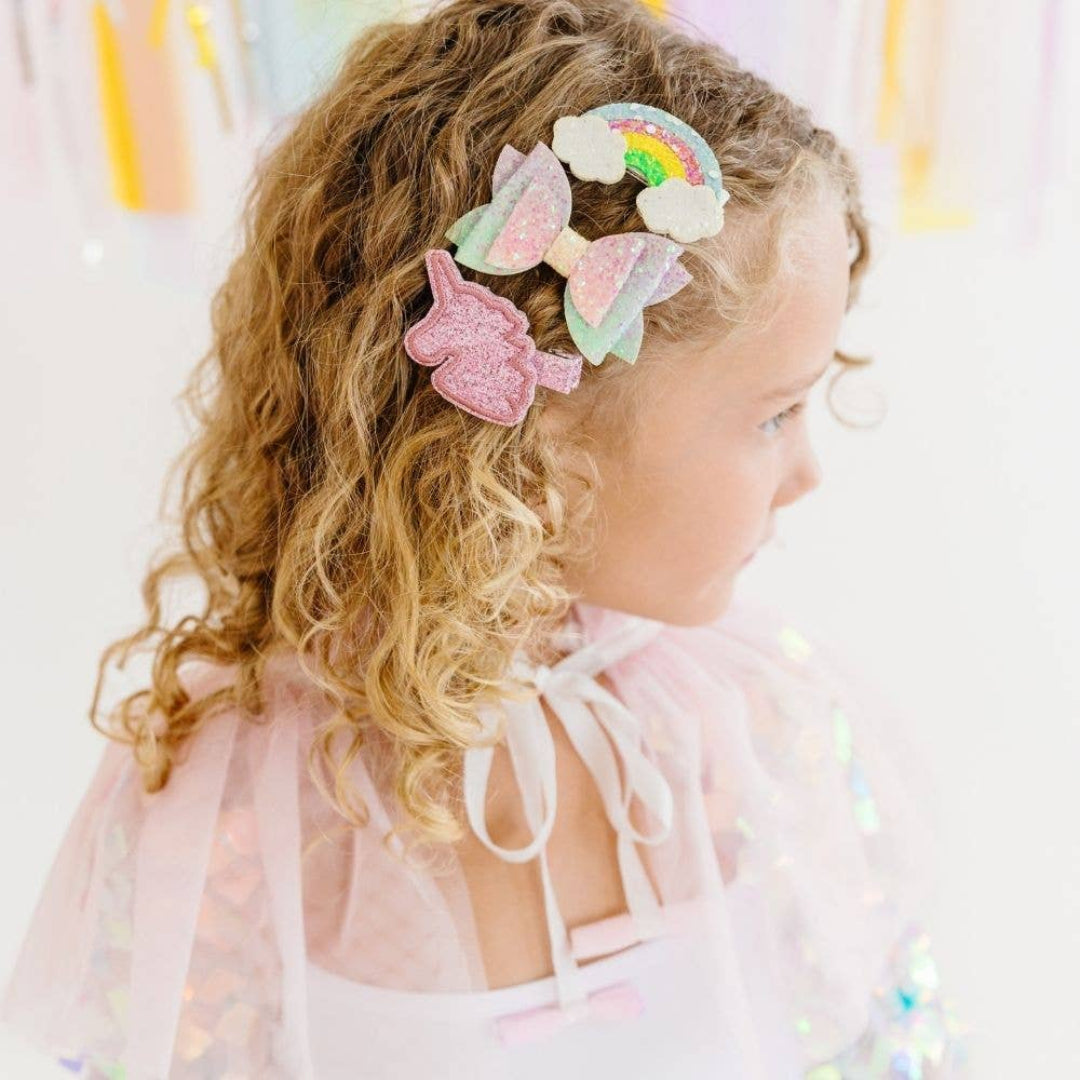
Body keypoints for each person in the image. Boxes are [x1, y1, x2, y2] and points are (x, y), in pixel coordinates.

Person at [0, 1, 969, 1076]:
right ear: (545, 447)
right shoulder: (260, 798)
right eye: (773, 415)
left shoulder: (746, 730)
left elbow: (888, 1050)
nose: (806, 475)